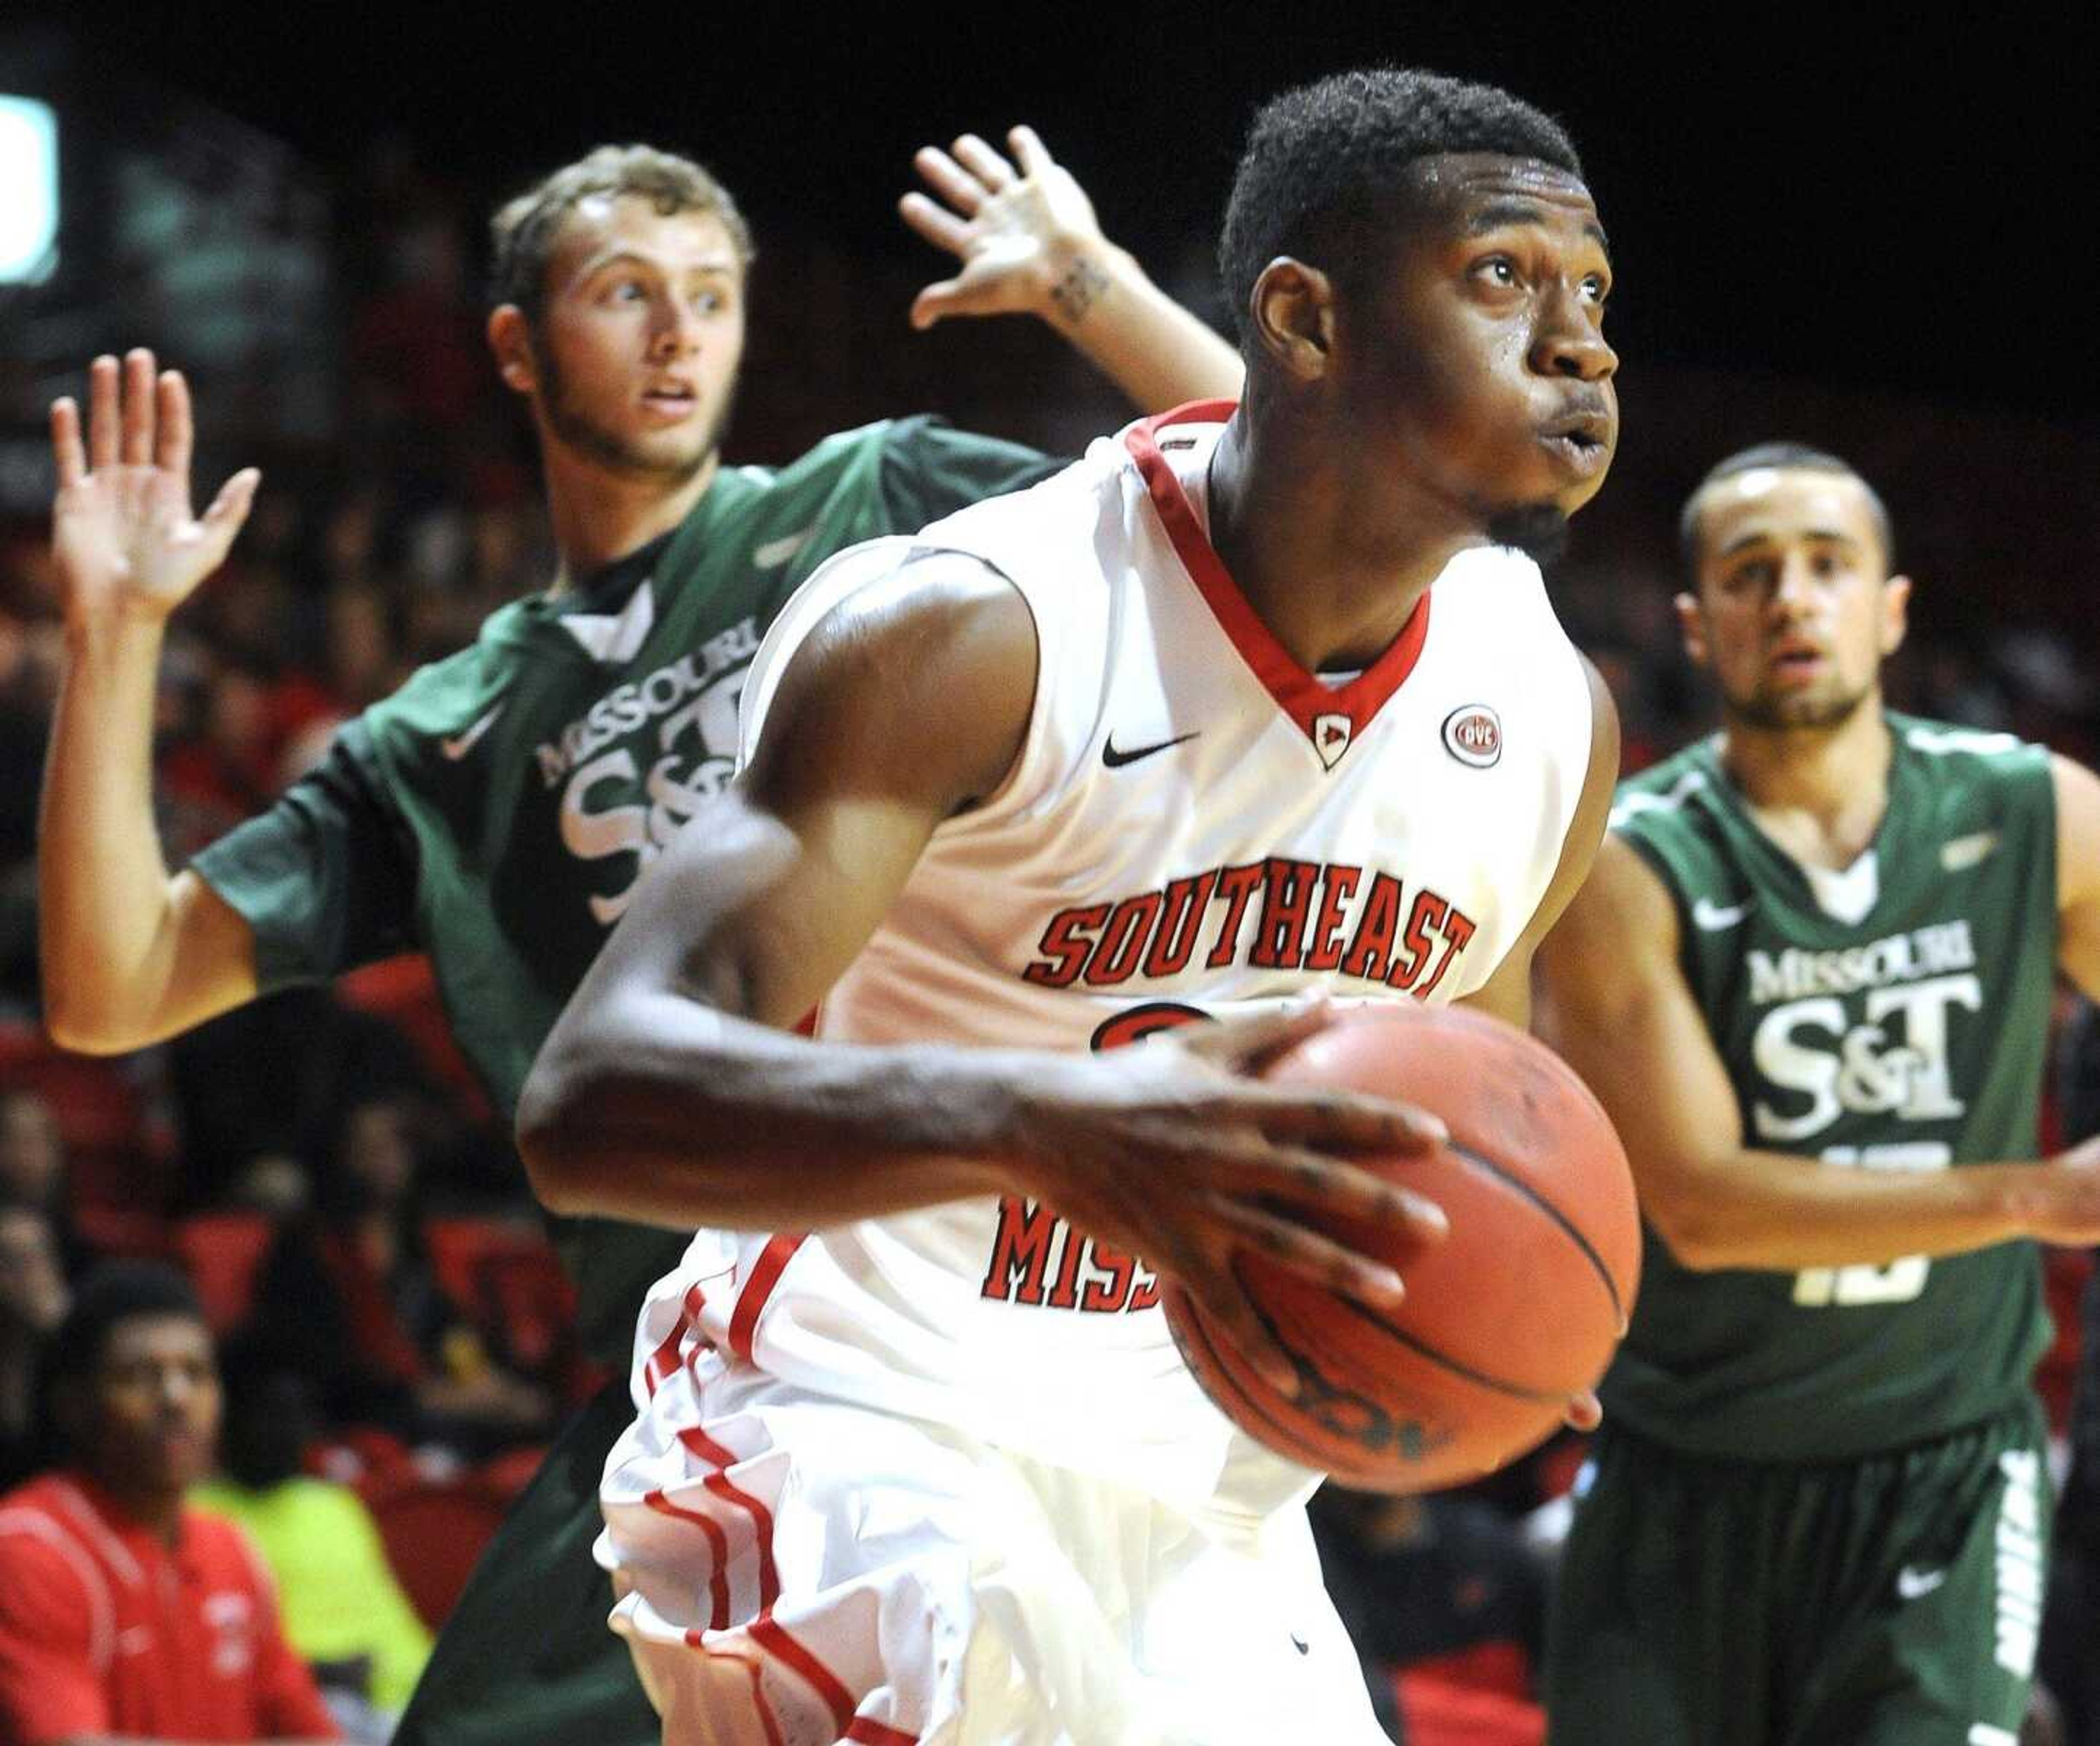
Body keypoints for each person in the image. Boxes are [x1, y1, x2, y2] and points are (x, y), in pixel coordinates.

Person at [38, 131, 1241, 1746]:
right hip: (688, 1376)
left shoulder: (871, 494)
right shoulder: (446, 737)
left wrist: (1085, 286)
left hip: (971, 1298)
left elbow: (1265, 514)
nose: (679, 335)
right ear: (518, 347)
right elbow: (112, 985)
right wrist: (114, 637)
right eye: (624, 294)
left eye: (711, 296)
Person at [520, 66, 1620, 1743]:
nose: (1580, 345)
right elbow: (593, 1098)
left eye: (1593, 297)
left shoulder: (1542, 715)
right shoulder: (975, 629)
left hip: (1206, 1497)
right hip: (849, 1425)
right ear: (1303, 321)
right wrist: (1052, 1119)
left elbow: (1458, 1095)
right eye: (1502, 280)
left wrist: (1500, 1272)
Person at [1535, 442, 2100, 1744]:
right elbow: (1707, 1209)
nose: (1790, 598)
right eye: (1749, 574)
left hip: (1941, 1477)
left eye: (1825, 566)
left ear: (1888, 607)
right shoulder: (1633, 859)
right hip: (1683, 1483)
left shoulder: (2030, 812)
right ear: (1698, 622)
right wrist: (2037, 1195)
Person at [0, 1262, 339, 1745]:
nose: (177, 1397)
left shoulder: (232, 1547)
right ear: (73, 1404)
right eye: (140, 1375)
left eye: (196, 1372)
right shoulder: (29, 1550)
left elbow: (316, 1736)